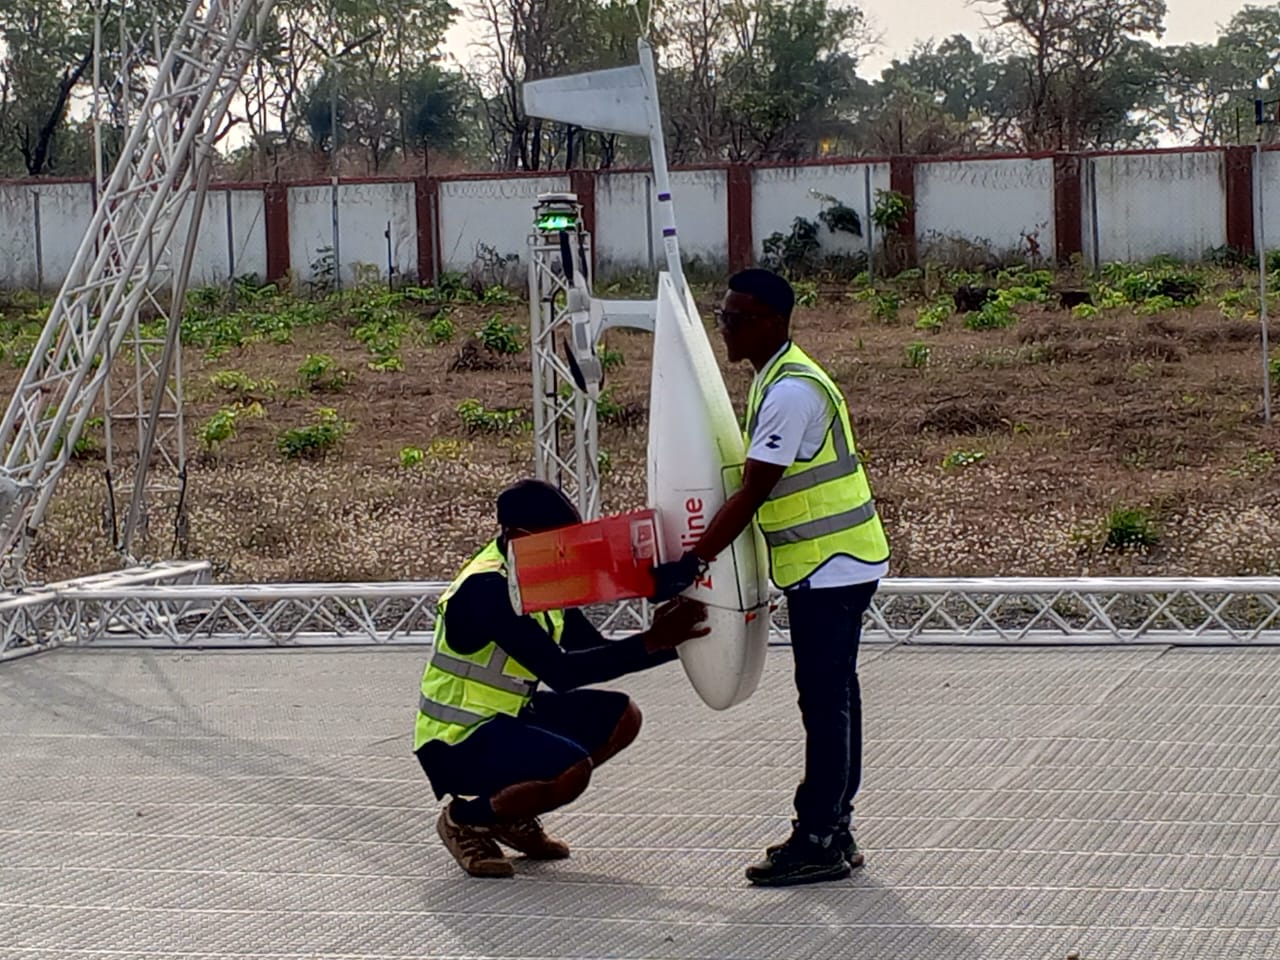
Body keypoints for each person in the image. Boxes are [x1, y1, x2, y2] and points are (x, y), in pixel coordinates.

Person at [650, 268, 890, 888]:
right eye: (722, 315)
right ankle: (834, 827)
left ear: (773, 322)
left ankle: (819, 837)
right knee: (835, 698)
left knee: (826, 701)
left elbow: (753, 491)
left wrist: (693, 560)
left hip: (831, 566)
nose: (724, 327)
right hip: (832, 563)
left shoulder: (789, 393)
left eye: (735, 317)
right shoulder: (776, 377)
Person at [414, 478, 710, 879]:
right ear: (520, 536)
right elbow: (563, 672)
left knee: (623, 716)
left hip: (508, 716)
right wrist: (654, 642)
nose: (569, 552)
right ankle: (466, 818)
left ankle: (510, 813)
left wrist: (675, 645)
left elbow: (590, 647)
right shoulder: (486, 589)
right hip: (457, 739)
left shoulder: (536, 575)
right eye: (562, 541)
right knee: (571, 769)